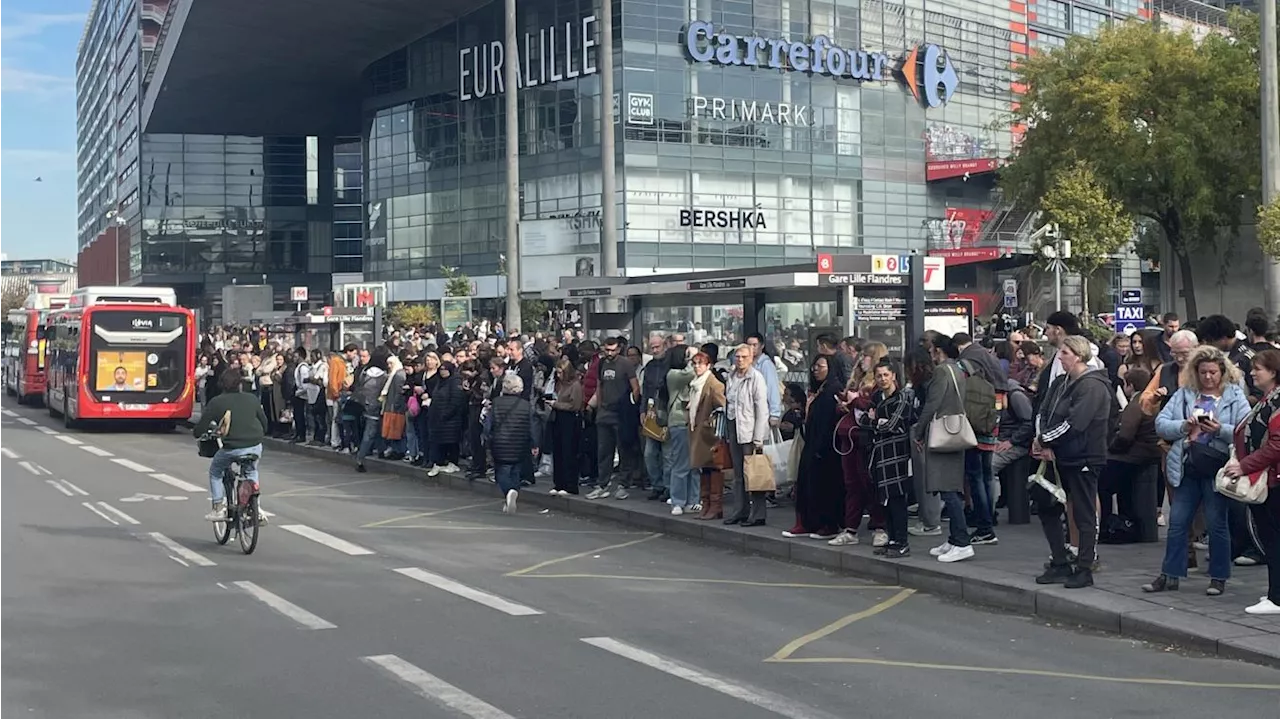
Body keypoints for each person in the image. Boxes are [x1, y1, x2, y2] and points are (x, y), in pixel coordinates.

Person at [1145, 346, 1250, 596]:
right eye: (1203, 372)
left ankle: (1219, 576)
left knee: (1216, 524)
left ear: (1223, 372)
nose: (1208, 377)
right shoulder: (1185, 394)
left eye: (1213, 372)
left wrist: (1220, 429)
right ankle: (1170, 574)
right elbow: (1160, 424)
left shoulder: (1234, 395)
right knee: (1177, 522)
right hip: (1187, 465)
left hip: (1217, 467)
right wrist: (1184, 425)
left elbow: (1244, 430)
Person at [1032, 336, 1113, 588]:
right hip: (1060, 454)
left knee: (1084, 512)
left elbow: (1075, 423)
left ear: (1078, 355)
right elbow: (1045, 411)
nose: (1060, 356)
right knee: (1045, 502)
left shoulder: (1092, 386)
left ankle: (1085, 566)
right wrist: (1042, 440)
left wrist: (1045, 440)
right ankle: (1060, 561)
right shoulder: (1060, 382)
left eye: (1065, 352)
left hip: (1084, 456)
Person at [1224, 349, 1280, 614]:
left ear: (1273, 371)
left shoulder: (1276, 402)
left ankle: (1277, 597)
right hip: (1268, 476)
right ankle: (1274, 592)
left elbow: (1276, 446)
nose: (1253, 372)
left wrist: (1244, 465)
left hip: (1273, 479)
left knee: (1273, 537)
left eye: (1259, 368)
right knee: (1270, 537)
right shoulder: (1268, 399)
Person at [912, 334, 973, 563]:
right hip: (954, 431)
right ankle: (955, 538)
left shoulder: (941, 372)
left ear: (938, 351)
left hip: (942, 433)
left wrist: (919, 431)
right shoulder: (957, 370)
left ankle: (962, 541)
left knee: (947, 488)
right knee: (951, 487)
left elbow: (932, 404)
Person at [193, 368, 269, 523]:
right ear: (240, 384)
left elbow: (199, 429)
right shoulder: (252, 399)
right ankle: (257, 508)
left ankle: (218, 508)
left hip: (232, 447)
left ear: (222, 385)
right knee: (251, 471)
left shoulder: (217, 402)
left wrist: (202, 432)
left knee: (215, 471)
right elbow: (265, 423)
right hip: (255, 444)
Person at [785, 356, 844, 540]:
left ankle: (829, 524)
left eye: (821, 366)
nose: (816, 369)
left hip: (826, 445)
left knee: (825, 485)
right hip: (811, 441)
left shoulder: (832, 390)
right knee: (806, 482)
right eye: (815, 366)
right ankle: (808, 522)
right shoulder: (818, 390)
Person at [864, 358, 913, 557]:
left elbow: (891, 425)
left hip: (897, 454)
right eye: (879, 376)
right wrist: (874, 421)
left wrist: (874, 421)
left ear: (893, 376)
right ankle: (892, 539)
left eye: (886, 375)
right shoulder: (877, 397)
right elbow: (866, 420)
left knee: (898, 499)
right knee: (885, 499)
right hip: (879, 454)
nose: (883, 379)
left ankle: (902, 541)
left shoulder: (902, 398)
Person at [723, 344, 772, 527]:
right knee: (738, 474)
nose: (740, 360)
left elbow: (762, 409)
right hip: (734, 426)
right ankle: (740, 511)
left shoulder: (756, 378)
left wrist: (758, 438)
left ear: (751, 358)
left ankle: (758, 514)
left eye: (744, 357)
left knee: (754, 473)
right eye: (737, 356)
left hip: (750, 431)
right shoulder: (732, 376)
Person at [489, 374, 539, 514]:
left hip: (500, 442)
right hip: (520, 443)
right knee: (515, 471)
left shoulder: (497, 402)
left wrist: (488, 437)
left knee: (501, 473)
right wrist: (534, 444)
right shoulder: (526, 406)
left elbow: (490, 424)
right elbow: (532, 427)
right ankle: (512, 495)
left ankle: (509, 492)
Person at [688, 351, 727, 520]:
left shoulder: (714, 384)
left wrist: (710, 422)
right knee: (703, 468)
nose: (697, 366)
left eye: (701, 363)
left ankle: (715, 505)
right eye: (694, 363)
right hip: (698, 432)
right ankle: (706, 504)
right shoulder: (695, 383)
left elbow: (723, 407)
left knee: (713, 468)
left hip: (710, 435)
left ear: (708, 365)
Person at [664, 345, 699, 514]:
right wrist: (692, 356)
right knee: (681, 463)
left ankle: (693, 499)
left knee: (695, 464)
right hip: (679, 421)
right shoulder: (673, 375)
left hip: (693, 421)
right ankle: (677, 500)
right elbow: (691, 373)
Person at [549, 358, 584, 496]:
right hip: (558, 418)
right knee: (558, 451)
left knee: (568, 452)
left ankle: (570, 484)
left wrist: (556, 404)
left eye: (560, 373)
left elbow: (575, 405)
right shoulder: (560, 384)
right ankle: (559, 483)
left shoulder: (575, 385)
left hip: (570, 419)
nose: (558, 376)